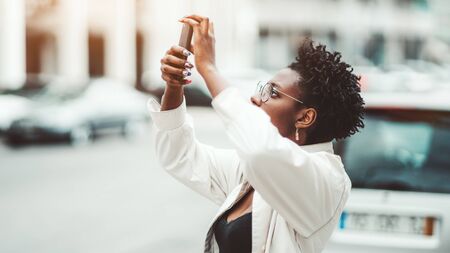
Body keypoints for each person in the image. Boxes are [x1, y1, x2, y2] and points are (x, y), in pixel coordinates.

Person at [147, 14, 365, 253]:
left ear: (305, 117)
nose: (255, 97)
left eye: (272, 93)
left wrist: (208, 68)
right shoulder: (249, 170)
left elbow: (261, 150)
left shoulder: (327, 179)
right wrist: (174, 85)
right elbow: (180, 156)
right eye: (263, 88)